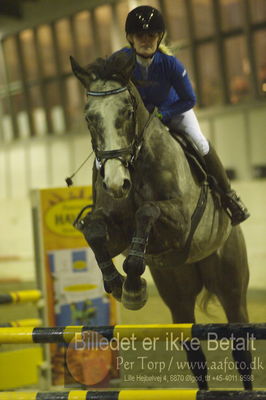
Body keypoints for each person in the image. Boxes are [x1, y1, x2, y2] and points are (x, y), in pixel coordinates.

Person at [118, 5, 249, 226]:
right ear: (130, 38)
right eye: (140, 35)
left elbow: (189, 99)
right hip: (140, 118)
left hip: (174, 111)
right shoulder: (122, 59)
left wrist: (164, 114)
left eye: (151, 35)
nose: (146, 40)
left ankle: (229, 197)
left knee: (200, 143)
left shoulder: (170, 64)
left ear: (159, 37)